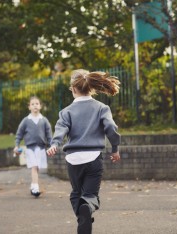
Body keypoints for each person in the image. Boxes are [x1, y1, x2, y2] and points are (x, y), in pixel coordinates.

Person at [47, 69, 121, 234]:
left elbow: (61, 129)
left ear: (73, 89)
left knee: (76, 194)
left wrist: (55, 144)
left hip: (73, 160)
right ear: (91, 87)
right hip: (94, 159)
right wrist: (115, 148)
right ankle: (87, 207)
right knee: (90, 196)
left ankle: (84, 218)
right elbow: (111, 128)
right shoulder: (102, 108)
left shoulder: (66, 112)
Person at [14, 96, 52, 197]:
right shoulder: (26, 121)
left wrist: (51, 146)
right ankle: (35, 187)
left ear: (40, 106)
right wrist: (16, 145)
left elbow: (49, 135)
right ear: (29, 107)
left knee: (37, 167)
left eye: (37, 104)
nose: (35, 105)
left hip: (41, 148)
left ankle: (33, 184)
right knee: (34, 166)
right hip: (30, 148)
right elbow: (19, 134)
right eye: (32, 104)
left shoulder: (44, 120)